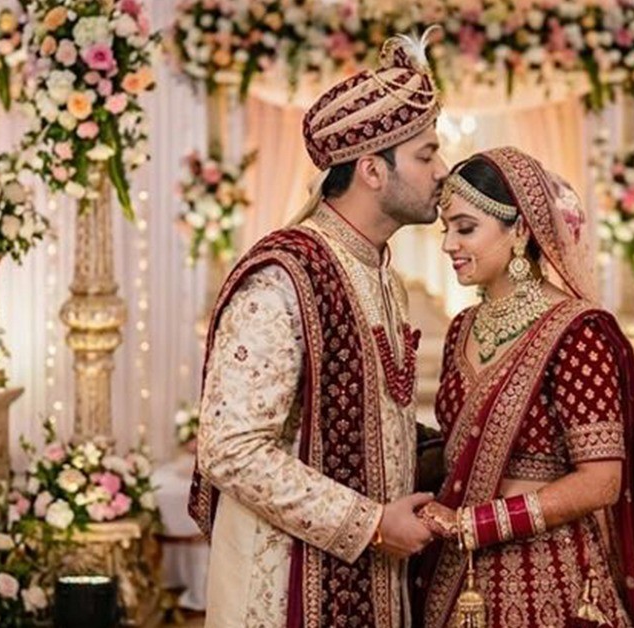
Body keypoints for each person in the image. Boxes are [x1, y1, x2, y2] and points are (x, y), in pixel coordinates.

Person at [187, 31, 449, 627]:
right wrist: (373, 524)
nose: (442, 171)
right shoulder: (284, 277)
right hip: (284, 589)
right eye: (426, 154)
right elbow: (231, 448)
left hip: (368, 582)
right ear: (371, 171)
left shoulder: (383, 275)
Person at [410, 147, 634, 628]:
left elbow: (601, 481)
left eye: (466, 228)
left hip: (551, 579)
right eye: (445, 229)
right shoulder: (462, 327)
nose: (449, 244)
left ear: (519, 230)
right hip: (458, 577)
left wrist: (478, 523)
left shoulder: (578, 332)